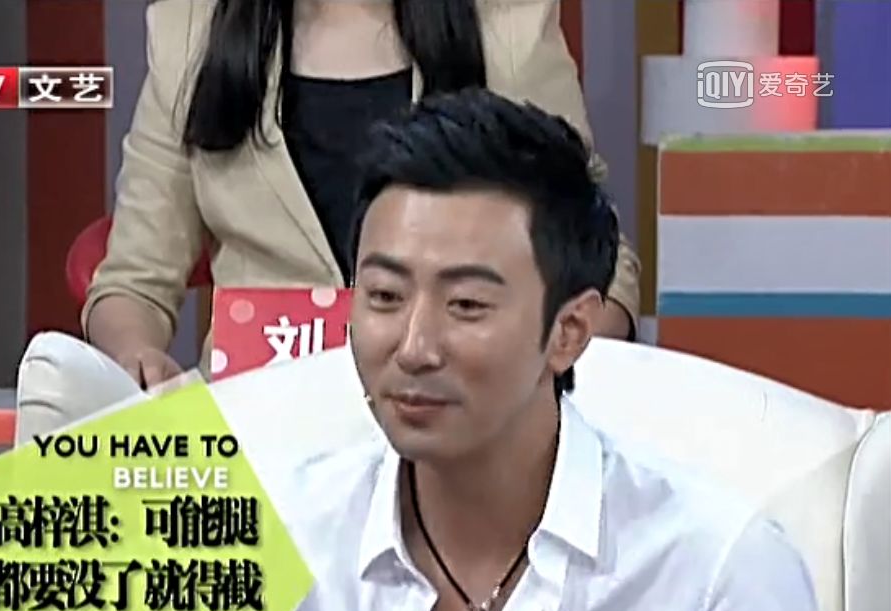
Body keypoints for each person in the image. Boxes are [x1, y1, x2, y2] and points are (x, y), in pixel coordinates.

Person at [0, 89, 842, 611]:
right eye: (385, 296)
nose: (414, 344)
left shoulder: (711, 564)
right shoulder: (255, 514)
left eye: (467, 305)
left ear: (569, 332)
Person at [83, 0, 642, 388]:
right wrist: (137, 359)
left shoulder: (507, 27)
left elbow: (600, 267)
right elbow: (133, 280)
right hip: (259, 423)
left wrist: (534, 379)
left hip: (461, 418)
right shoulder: (190, 30)